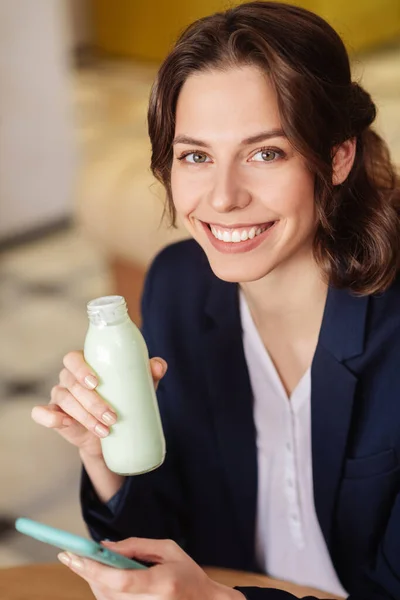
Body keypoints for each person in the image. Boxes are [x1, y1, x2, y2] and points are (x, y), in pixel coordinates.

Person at [32, 2, 400, 599]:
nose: (223, 198)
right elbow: (172, 543)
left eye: (265, 153)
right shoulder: (180, 287)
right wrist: (106, 457)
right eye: (196, 156)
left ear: (337, 156)